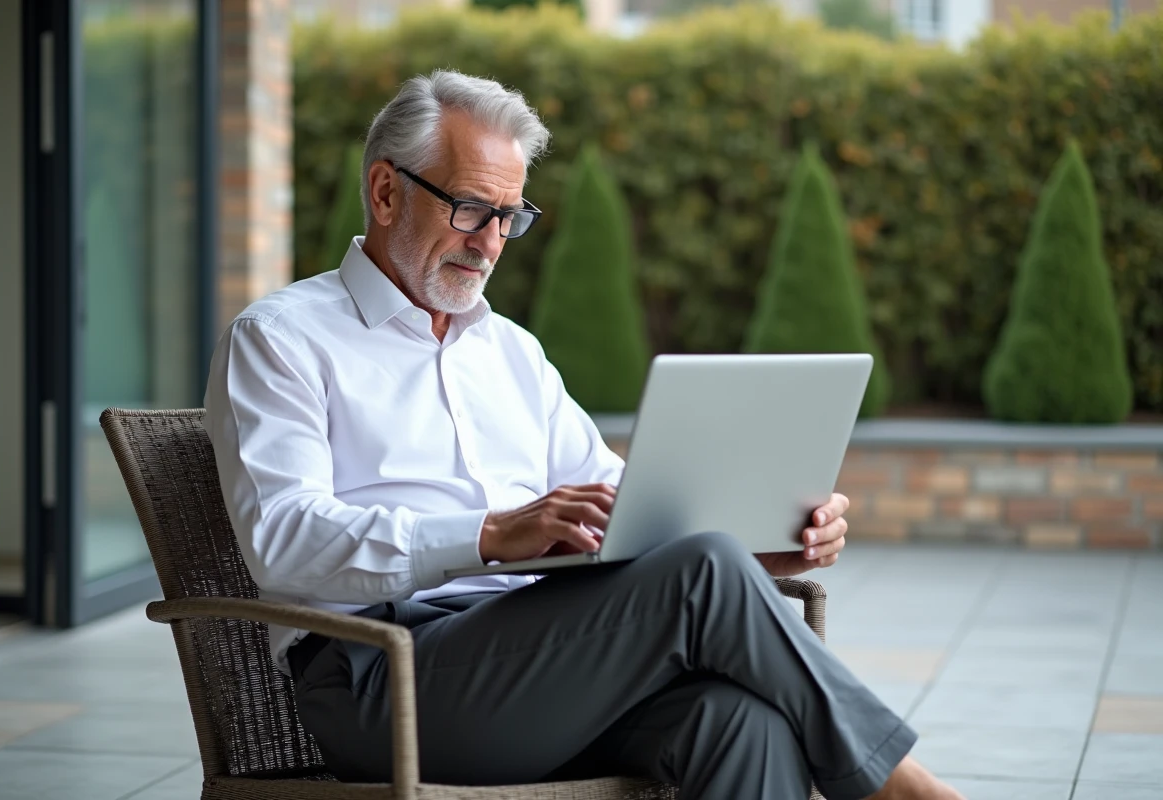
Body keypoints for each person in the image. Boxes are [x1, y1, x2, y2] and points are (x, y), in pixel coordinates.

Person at [204, 70, 964, 800]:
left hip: (538, 664)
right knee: (701, 572)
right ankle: (892, 786)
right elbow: (282, 538)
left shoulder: (512, 354)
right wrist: (491, 534)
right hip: (380, 678)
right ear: (384, 192)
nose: (492, 242)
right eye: (471, 208)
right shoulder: (283, 339)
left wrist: (754, 549)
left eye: (510, 217)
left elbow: (625, 514)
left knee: (742, 722)